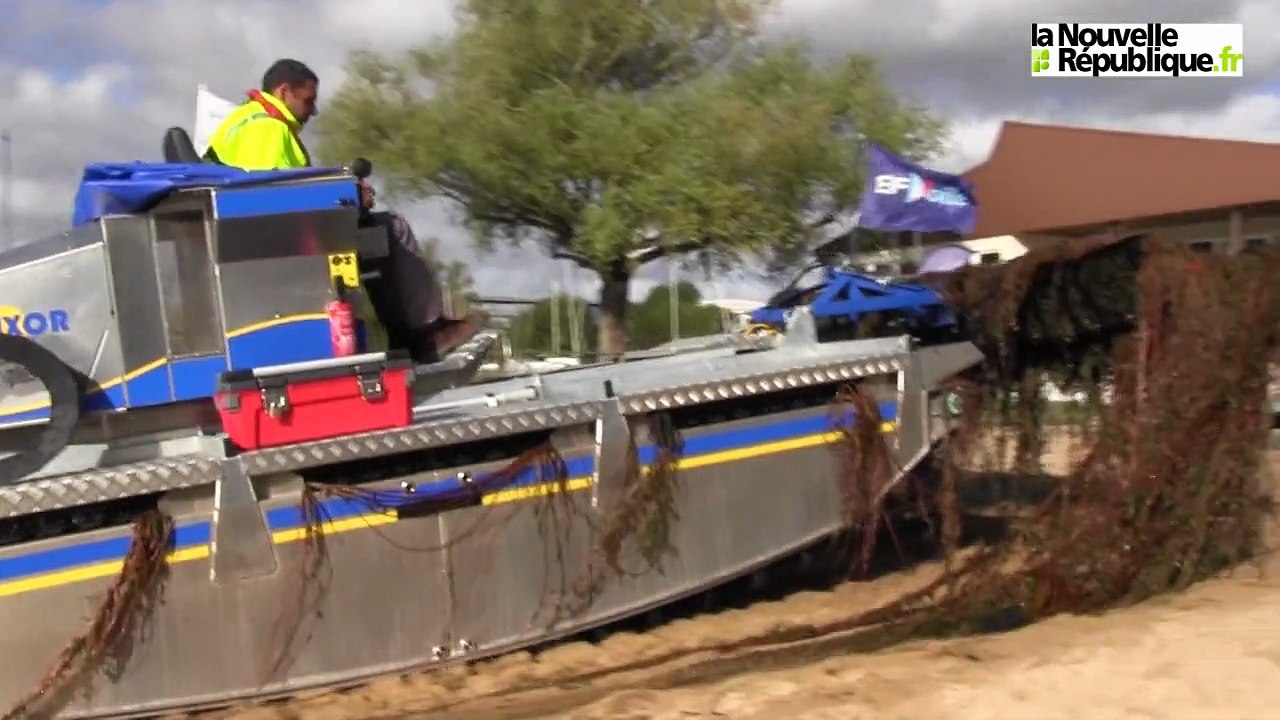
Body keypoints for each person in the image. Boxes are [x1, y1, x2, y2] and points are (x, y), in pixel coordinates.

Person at [204, 58, 480, 364]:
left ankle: (408, 338)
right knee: (391, 228)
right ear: (283, 92)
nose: (313, 111)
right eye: (308, 100)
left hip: (257, 245)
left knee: (374, 238)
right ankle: (425, 334)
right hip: (281, 250)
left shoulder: (240, 122)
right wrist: (348, 195)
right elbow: (281, 200)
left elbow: (284, 186)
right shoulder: (267, 131)